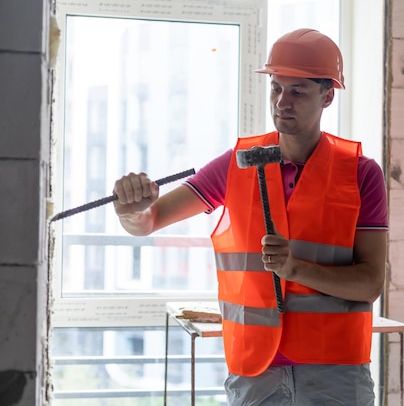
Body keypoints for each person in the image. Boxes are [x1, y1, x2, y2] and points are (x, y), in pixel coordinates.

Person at [113, 28, 388, 406]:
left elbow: (370, 283)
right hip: (256, 372)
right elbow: (149, 221)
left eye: (298, 91)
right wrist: (130, 210)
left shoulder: (360, 174)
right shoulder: (236, 165)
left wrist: (296, 269)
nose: (282, 102)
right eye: (276, 88)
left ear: (327, 95)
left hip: (335, 372)